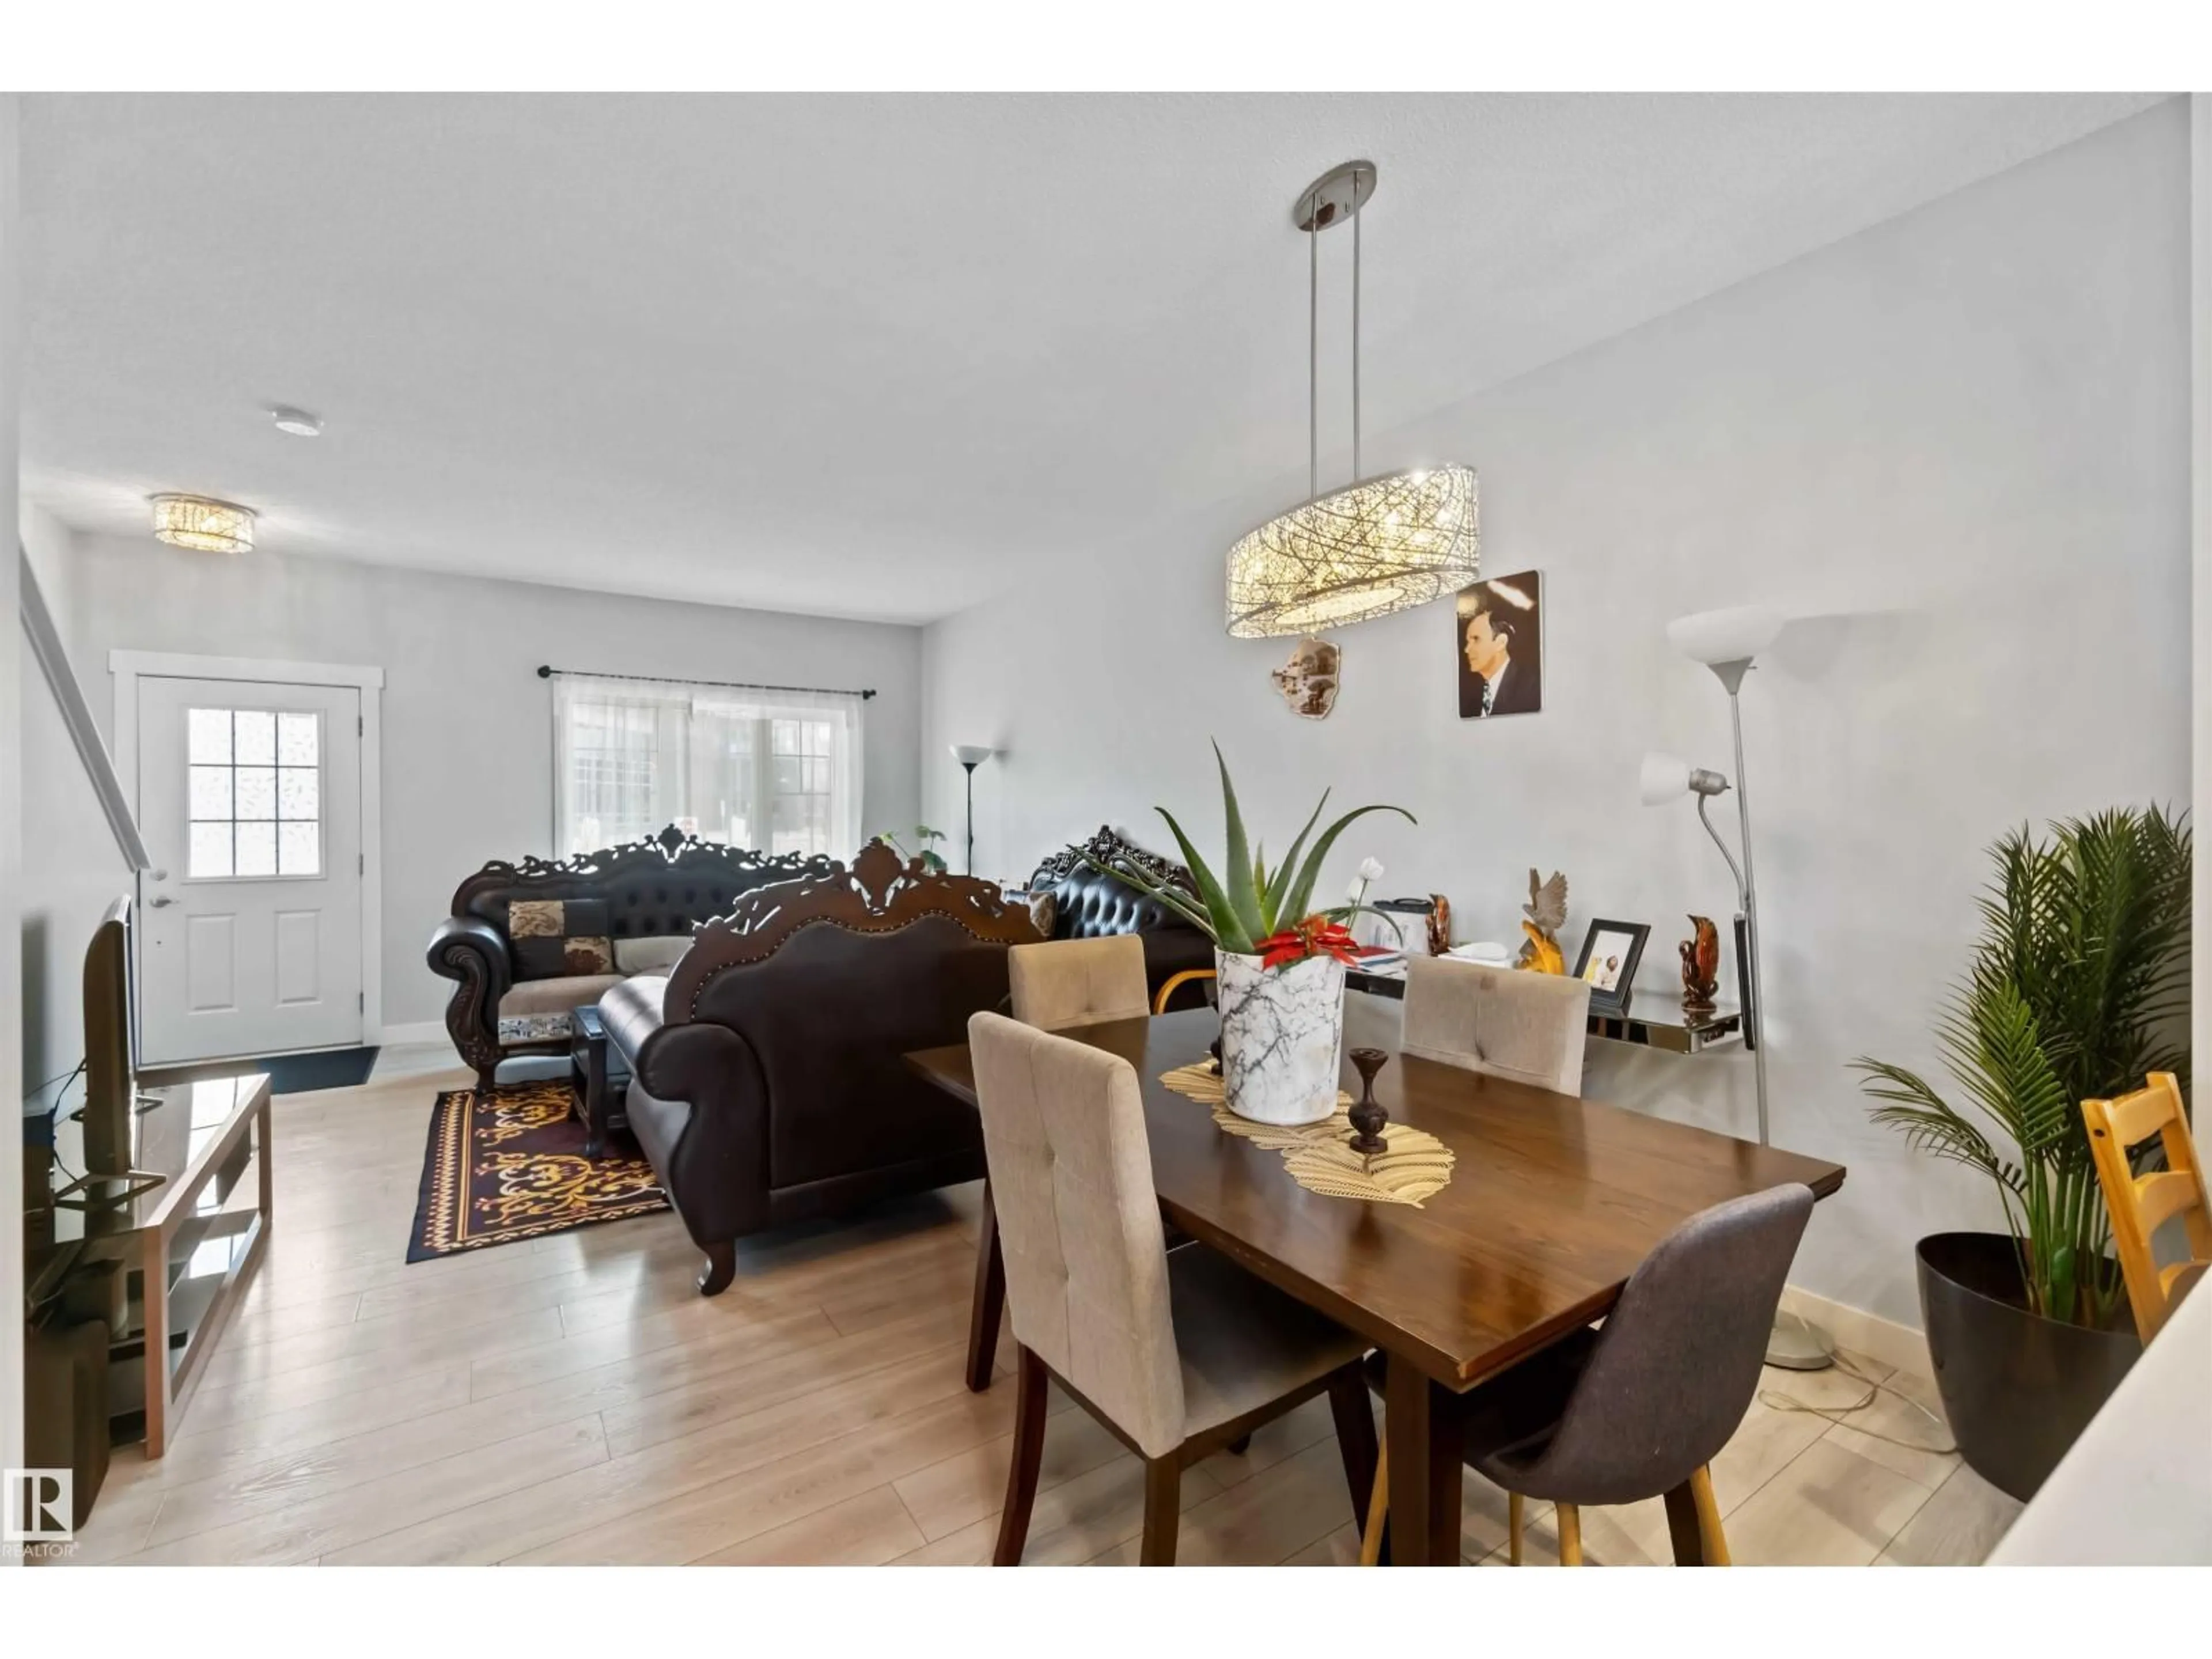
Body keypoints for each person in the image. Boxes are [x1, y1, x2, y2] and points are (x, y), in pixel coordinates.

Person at [1458, 578, 1541, 718]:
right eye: (1468, 641)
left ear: (1501, 642)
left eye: (1476, 639)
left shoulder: (1531, 687)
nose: (1467, 649)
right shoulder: (1470, 696)